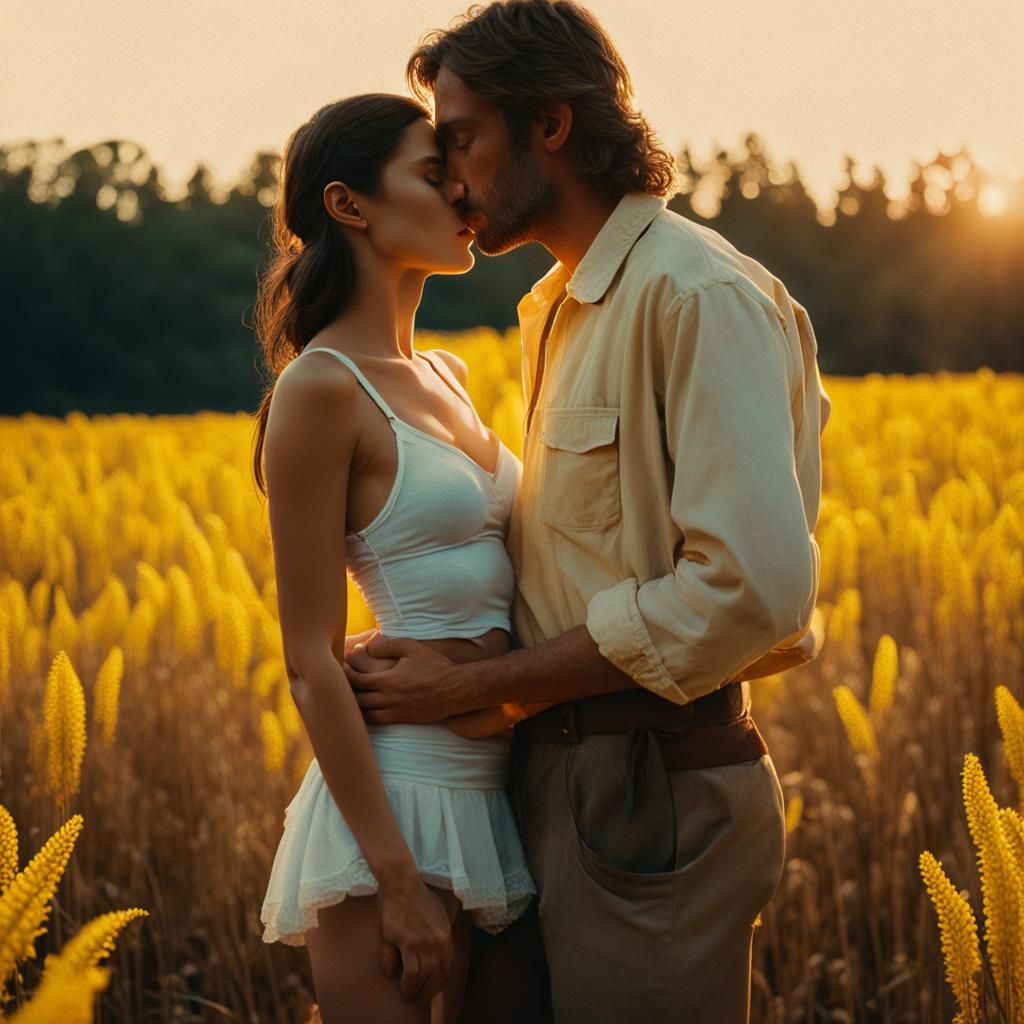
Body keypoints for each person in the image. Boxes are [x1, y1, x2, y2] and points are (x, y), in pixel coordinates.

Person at [342, 3, 833, 1022]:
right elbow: (583, 566)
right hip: (551, 777)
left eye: (465, 138)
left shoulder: (694, 295)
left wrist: (491, 683)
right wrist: (475, 668)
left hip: (653, 788)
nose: (452, 177)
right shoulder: (560, 307)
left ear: (552, 126)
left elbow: (752, 593)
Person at [251, 93, 544, 1024]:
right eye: (431, 173)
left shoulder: (448, 374)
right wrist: (398, 880)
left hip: (495, 800)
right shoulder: (320, 389)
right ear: (350, 206)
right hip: (395, 811)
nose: (463, 191)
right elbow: (310, 659)